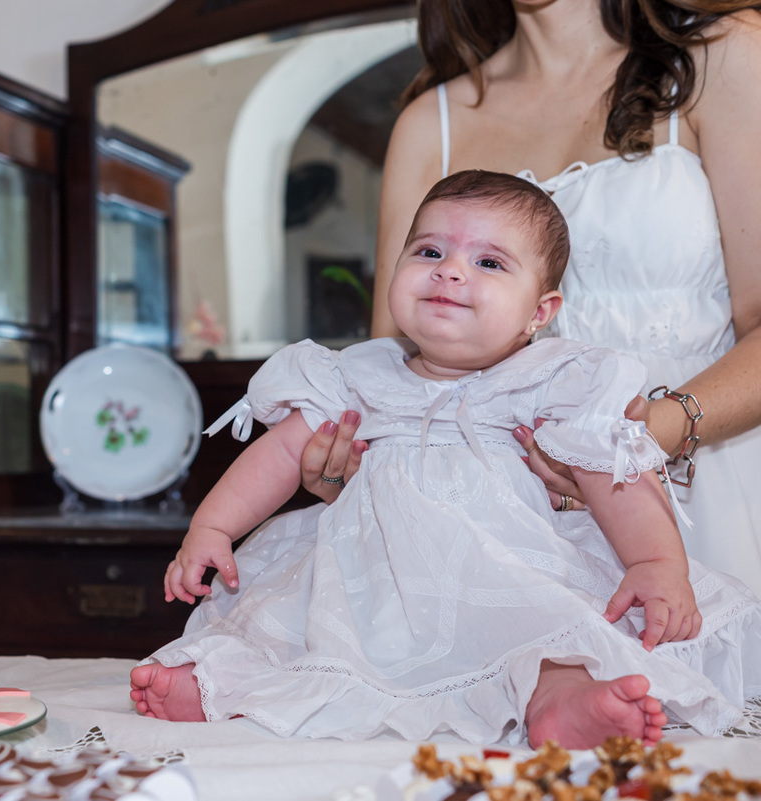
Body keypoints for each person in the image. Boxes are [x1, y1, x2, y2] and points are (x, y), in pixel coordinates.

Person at [129, 171, 761, 748]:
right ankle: (221, 684)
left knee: (549, 626)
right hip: (369, 574)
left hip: (504, 564)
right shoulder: (356, 376)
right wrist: (212, 528)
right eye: (430, 252)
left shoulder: (551, 384)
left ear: (540, 313)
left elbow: (613, 473)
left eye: (488, 262)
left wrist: (655, 563)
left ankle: (560, 704)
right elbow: (279, 454)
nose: (450, 271)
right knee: (284, 625)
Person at [300, 0, 761, 598]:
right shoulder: (428, 121)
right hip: (492, 516)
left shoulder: (722, 55)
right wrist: (359, 459)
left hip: (703, 485)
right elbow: (399, 359)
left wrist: (636, 441)